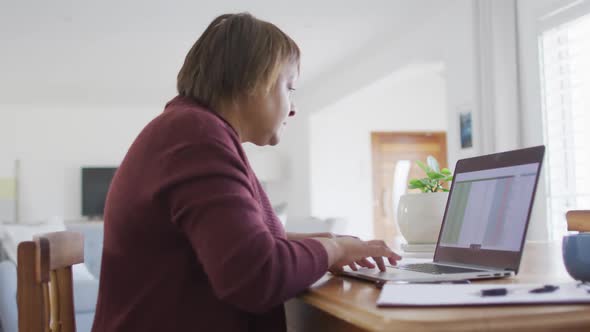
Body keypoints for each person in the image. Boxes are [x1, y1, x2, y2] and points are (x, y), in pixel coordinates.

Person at [91, 12, 401, 332]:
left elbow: (244, 243)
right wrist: (333, 249)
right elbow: (255, 275)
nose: (292, 107)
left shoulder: (189, 129)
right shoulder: (195, 135)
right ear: (253, 81)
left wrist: (333, 242)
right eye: (290, 88)